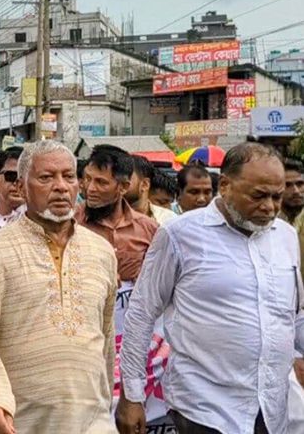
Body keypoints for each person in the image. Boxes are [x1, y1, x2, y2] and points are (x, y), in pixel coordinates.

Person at [117, 142, 303, 434]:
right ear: (226, 185)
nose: (269, 207)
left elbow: (294, 313)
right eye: (259, 195)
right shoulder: (180, 234)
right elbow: (141, 312)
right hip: (204, 407)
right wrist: (132, 394)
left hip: (271, 407)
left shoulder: (286, 237)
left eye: (276, 196)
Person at [0, 140, 117, 434]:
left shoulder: (101, 251)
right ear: (21, 187)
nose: (60, 186)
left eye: (68, 177)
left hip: (93, 421)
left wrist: (107, 403)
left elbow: (106, 336)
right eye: (46, 178)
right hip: (21, 422)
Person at [77, 145, 158, 282]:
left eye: (101, 182)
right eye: (88, 179)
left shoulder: (149, 230)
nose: (90, 189)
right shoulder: (70, 223)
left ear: (123, 187)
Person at [126, 155, 177, 226]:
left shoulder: (170, 219)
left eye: (127, 179)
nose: (120, 185)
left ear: (145, 185)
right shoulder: (107, 219)